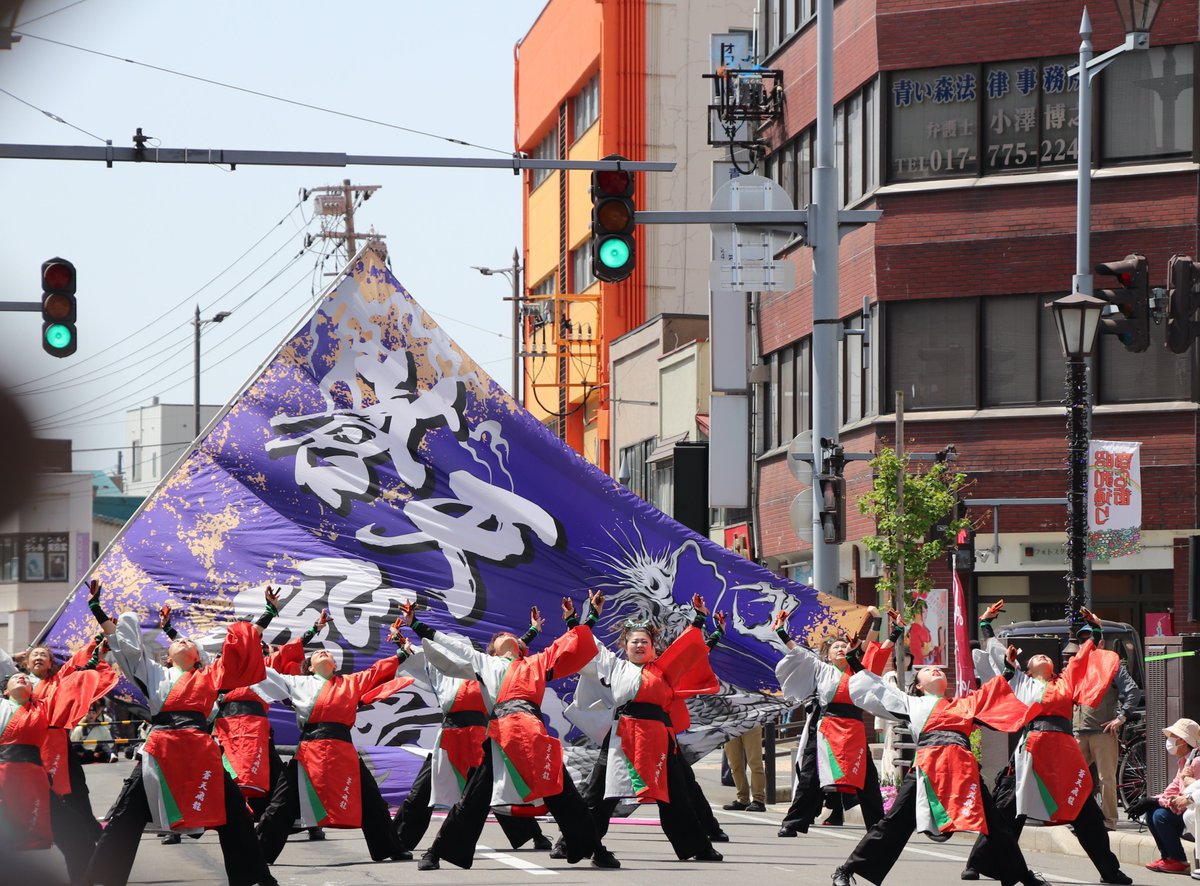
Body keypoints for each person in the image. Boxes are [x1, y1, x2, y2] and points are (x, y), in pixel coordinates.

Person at [82, 580, 277, 886]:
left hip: (201, 751)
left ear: (198, 656)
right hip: (161, 750)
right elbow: (126, 649)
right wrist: (97, 608)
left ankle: (255, 880)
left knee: (236, 816)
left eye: (190, 641)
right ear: (168, 656)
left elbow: (243, 648)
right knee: (124, 818)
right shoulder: (154, 672)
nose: (185, 641)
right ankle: (99, 880)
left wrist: (268, 613)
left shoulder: (211, 675)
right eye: (178, 641)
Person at [828, 622, 1048, 886]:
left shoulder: (964, 704)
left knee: (996, 825)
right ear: (919, 686)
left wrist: (1009, 669)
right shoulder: (910, 702)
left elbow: (994, 693)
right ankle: (846, 870)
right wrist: (853, 657)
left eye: (937, 670)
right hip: (926, 767)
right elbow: (875, 686)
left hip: (962, 768)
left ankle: (1022, 876)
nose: (934, 671)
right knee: (894, 822)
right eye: (928, 671)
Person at [408, 592, 616, 870]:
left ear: (521, 647)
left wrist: (585, 617)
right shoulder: (486, 663)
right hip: (501, 735)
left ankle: (595, 849)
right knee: (473, 798)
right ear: (492, 649)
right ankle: (436, 851)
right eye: (499, 637)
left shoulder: (536, 663)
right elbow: (451, 646)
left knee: (566, 795)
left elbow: (568, 645)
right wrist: (415, 623)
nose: (506, 636)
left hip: (533, 732)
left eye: (511, 636)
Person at [965, 602, 1130, 885]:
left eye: (1046, 654)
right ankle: (977, 862)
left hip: (1064, 753)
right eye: (1035, 656)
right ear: (1025, 669)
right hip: (1031, 751)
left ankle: (1109, 871)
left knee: (1085, 810)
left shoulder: (1065, 683)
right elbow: (994, 649)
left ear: (1054, 668)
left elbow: (1082, 657)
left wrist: (1094, 627)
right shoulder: (1019, 682)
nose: (1042, 655)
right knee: (1006, 807)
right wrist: (984, 623)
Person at [565, 593, 724, 862]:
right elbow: (587, 647)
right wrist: (580, 618)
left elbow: (688, 648)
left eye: (644, 642)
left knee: (676, 795)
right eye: (634, 642)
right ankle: (571, 843)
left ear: (653, 647)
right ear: (625, 646)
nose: (639, 645)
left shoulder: (663, 669)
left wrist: (699, 617)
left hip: (659, 737)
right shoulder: (615, 666)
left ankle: (699, 847)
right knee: (599, 793)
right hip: (623, 734)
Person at [391, 608, 551, 854]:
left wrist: (532, 632)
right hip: (450, 734)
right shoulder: (446, 665)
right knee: (421, 792)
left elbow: (512, 647)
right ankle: (398, 841)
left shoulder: (492, 667)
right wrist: (403, 640)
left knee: (496, 788)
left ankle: (533, 834)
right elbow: (424, 652)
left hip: (481, 734)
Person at [254, 622, 414, 864]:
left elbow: (376, 671)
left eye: (327, 652)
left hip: (343, 748)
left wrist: (402, 653)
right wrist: (255, 648)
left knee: (372, 799)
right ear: (307, 667)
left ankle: (389, 847)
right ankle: (259, 852)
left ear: (336, 665)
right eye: (317, 652)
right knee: (282, 802)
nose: (323, 652)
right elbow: (265, 673)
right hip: (310, 748)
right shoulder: (297, 683)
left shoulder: (350, 682)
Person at [775, 606, 894, 837]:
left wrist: (876, 618)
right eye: (835, 647)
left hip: (854, 728)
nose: (840, 649)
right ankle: (793, 822)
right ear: (827, 654)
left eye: (843, 646)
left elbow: (871, 644)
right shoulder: (820, 669)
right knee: (810, 777)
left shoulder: (859, 670)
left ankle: (878, 825)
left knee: (867, 777)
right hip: (826, 728)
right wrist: (781, 632)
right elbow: (798, 652)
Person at [207, 607, 326, 817]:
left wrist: (314, 629)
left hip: (257, 725)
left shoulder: (264, 667)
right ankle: (206, 814)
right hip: (228, 725)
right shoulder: (221, 667)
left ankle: (293, 815)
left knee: (275, 772)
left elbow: (289, 650)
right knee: (224, 770)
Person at [1074, 628, 1140, 831]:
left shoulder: (1112, 665)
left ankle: (1109, 821)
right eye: (1083, 641)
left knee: (1106, 778)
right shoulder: (1077, 665)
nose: (1087, 644)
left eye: (1091, 640)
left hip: (1102, 731)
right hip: (1078, 730)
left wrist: (1121, 717)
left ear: (1101, 643)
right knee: (1073, 777)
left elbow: (1132, 691)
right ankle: (1079, 818)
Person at [1144, 717, 1200, 874]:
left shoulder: (1196, 761)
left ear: (1183, 740)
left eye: (1174, 737)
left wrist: (1161, 802)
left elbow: (1190, 791)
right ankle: (1168, 858)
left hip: (1190, 808)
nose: (1170, 741)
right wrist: (1155, 800)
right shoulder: (1184, 761)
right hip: (1183, 806)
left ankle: (1178, 860)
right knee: (1151, 813)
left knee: (1160, 816)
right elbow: (1174, 787)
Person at [723, 725, 766, 812]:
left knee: (755, 763)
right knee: (734, 764)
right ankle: (743, 799)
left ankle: (758, 800)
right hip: (730, 724)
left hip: (751, 722)